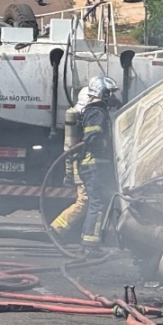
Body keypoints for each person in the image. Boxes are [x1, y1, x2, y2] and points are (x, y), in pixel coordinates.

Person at [79, 75, 120, 250]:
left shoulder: (97, 111)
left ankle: (86, 242)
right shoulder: (96, 113)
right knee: (98, 204)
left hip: (95, 165)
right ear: (102, 92)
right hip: (95, 165)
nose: (112, 97)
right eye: (110, 93)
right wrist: (108, 145)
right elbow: (92, 138)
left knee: (97, 202)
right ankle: (90, 244)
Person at [49, 87, 91, 243]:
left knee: (87, 201)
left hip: (78, 164)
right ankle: (56, 228)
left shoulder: (76, 115)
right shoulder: (82, 117)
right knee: (85, 201)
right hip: (82, 165)